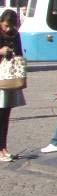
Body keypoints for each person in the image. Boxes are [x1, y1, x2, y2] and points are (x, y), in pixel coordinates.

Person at [0, 10, 25, 161]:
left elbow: (20, 54)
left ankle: (3, 147)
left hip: (9, 78)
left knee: (5, 115)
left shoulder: (16, 35)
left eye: (11, 26)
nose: (8, 29)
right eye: (6, 26)